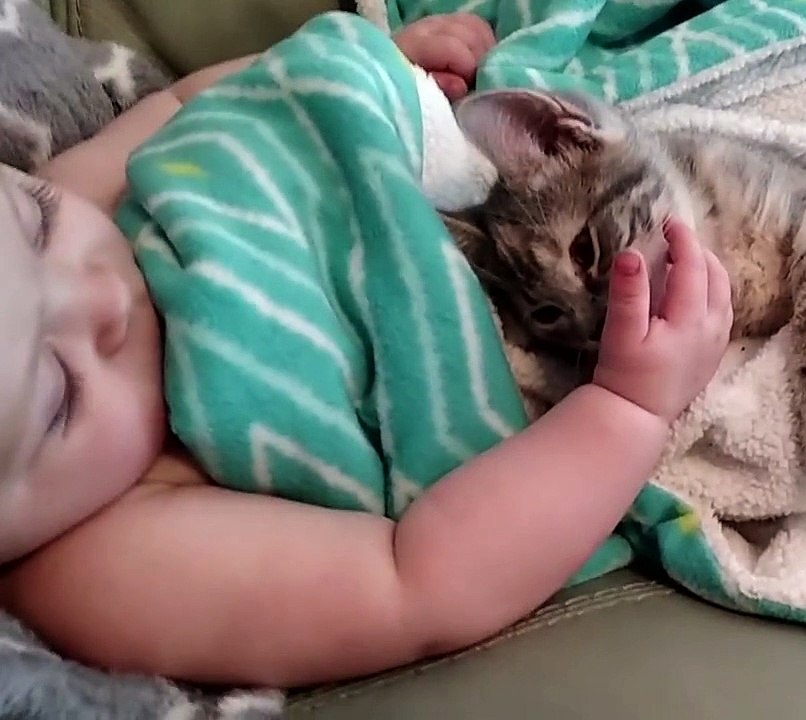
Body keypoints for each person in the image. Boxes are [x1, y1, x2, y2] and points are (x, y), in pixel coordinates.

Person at [0, 11, 732, 687]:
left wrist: (367, 80)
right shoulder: (101, 570)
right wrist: (628, 406)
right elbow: (418, 582)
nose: (99, 294)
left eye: (35, 225)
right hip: (472, 349)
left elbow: (191, 108)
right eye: (60, 391)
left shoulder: (67, 192)